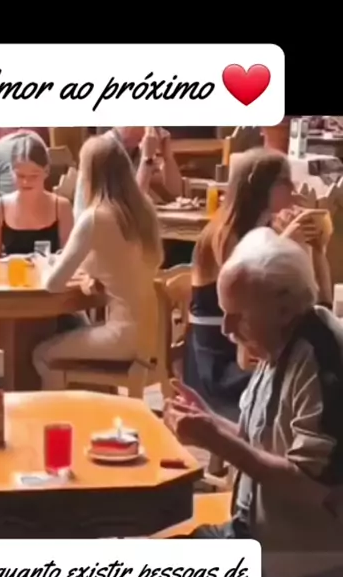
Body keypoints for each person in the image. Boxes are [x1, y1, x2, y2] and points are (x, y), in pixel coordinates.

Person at [139, 227, 343, 577]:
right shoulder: (283, 342)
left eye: (238, 315)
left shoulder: (323, 361)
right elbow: (267, 441)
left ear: (283, 305)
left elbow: (310, 486)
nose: (226, 329)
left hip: (310, 570)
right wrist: (210, 423)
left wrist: (219, 442)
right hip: (260, 541)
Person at [181, 147, 332, 421]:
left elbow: (314, 302)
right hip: (220, 360)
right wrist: (286, 244)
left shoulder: (267, 229)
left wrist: (316, 248)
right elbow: (250, 297)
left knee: (318, 364)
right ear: (261, 186)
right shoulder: (225, 235)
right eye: (284, 182)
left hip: (257, 345)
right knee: (308, 379)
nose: (293, 189)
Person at [32, 134, 163, 389]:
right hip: (150, 334)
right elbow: (124, 264)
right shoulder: (143, 209)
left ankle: (59, 412)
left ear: (88, 174)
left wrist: (41, 264)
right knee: (76, 328)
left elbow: (52, 284)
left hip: (121, 336)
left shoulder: (94, 217)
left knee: (42, 354)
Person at [0, 132, 73, 258]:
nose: (26, 182)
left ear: (46, 171)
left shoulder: (61, 207)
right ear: (11, 172)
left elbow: (69, 259)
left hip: (49, 271)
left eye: (33, 176)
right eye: (20, 176)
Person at [73, 126, 182, 221]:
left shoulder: (139, 148)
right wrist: (147, 160)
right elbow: (131, 205)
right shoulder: (105, 149)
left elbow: (175, 191)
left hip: (122, 227)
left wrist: (167, 155)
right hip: (96, 231)